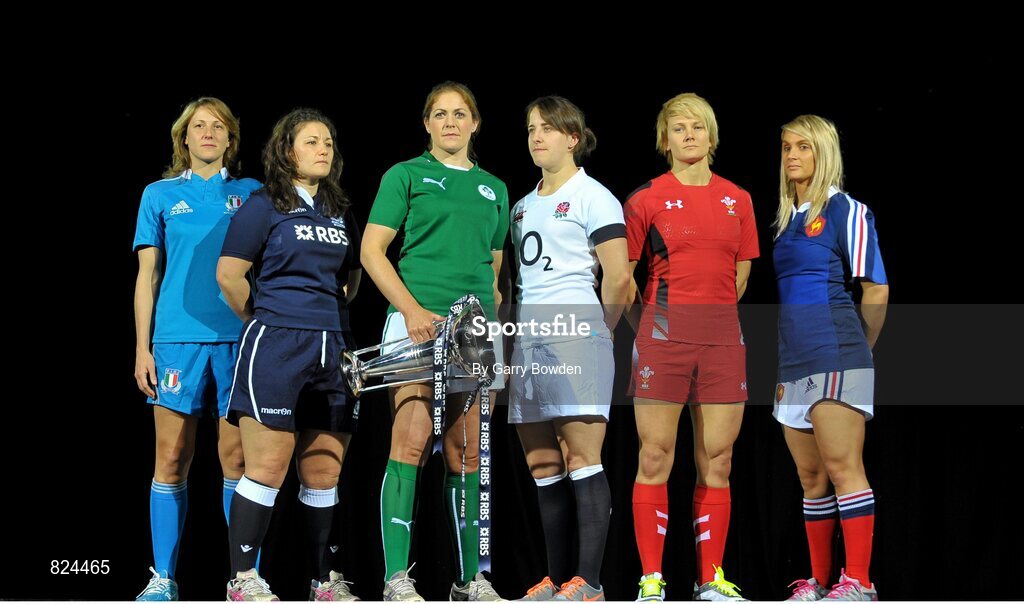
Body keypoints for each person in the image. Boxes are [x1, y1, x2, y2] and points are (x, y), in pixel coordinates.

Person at [361, 81, 508, 602]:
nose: (450, 122)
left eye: (460, 113)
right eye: (440, 114)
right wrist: (412, 310)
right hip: (415, 323)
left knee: (467, 454)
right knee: (411, 439)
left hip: (474, 332)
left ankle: (470, 580)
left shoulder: (495, 187)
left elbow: (492, 272)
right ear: (426, 124)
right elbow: (372, 251)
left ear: (474, 123)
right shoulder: (406, 175)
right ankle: (397, 578)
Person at [217, 108, 362, 601]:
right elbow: (229, 276)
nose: (324, 149)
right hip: (276, 345)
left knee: (324, 469)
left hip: (332, 347)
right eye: (312, 142)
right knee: (268, 466)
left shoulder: (339, 210)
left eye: (329, 142)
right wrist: (267, 319)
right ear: (287, 151)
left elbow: (352, 277)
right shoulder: (263, 205)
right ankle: (243, 580)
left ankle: (323, 581)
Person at [624, 93, 759, 601]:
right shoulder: (645, 199)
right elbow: (623, 277)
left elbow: (739, 277)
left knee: (718, 459)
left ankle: (711, 580)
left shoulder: (738, 199)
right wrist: (653, 327)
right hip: (663, 343)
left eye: (697, 127)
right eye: (678, 128)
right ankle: (652, 580)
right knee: (655, 456)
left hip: (723, 344)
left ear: (712, 136)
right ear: (664, 140)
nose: (688, 135)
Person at [132, 97, 261, 601]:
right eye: (198, 126)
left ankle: (243, 580)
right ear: (183, 137)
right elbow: (148, 276)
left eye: (218, 126)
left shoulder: (252, 193)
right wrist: (143, 347)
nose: (208, 133)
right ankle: (162, 578)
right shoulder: (158, 194)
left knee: (237, 461)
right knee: (171, 456)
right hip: (175, 342)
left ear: (231, 138)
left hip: (239, 339)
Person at [509, 96, 629, 602]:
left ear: (573, 137)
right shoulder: (519, 206)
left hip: (577, 332)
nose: (537, 136)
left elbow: (620, 277)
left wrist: (597, 331)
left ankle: (591, 582)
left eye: (548, 129)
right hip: (527, 341)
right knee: (542, 463)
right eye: (532, 128)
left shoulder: (593, 196)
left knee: (582, 456)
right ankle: (556, 579)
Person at [773, 115, 888, 602]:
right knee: (812, 477)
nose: (792, 155)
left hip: (838, 351)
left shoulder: (846, 210)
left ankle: (858, 582)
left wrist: (858, 348)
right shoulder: (784, 220)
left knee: (843, 469)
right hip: (791, 360)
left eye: (804, 147)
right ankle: (819, 584)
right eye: (786, 147)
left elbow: (876, 287)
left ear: (824, 153)